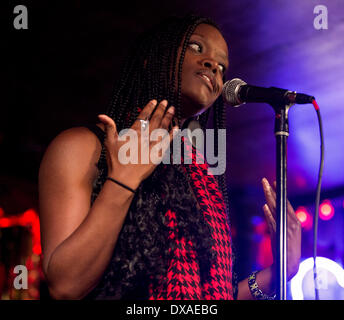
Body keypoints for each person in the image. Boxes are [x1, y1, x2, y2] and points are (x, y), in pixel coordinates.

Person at [38, 14, 301, 300]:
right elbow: (65, 286)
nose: (213, 65)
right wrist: (122, 182)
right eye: (196, 48)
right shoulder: (82, 146)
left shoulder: (201, 178)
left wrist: (277, 274)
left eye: (222, 67)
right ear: (152, 59)